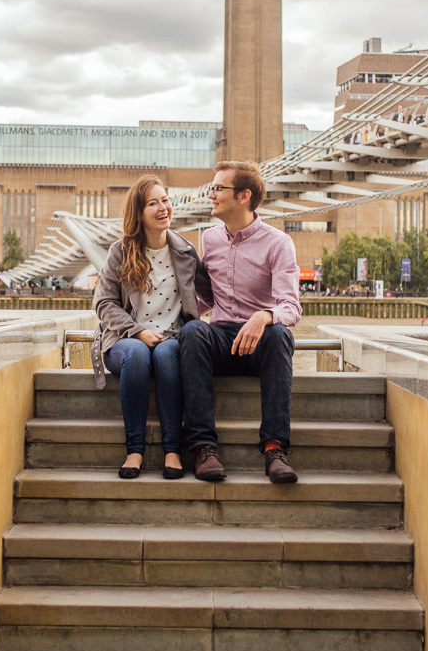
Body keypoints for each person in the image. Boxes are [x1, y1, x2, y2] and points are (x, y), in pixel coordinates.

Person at [179, 160, 302, 484]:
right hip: (220, 340)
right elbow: (209, 298)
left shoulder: (278, 243)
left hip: (260, 343)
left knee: (280, 336)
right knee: (191, 331)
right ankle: (205, 448)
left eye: (218, 188)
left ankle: (274, 450)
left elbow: (291, 306)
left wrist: (263, 316)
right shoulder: (210, 238)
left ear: (244, 196)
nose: (211, 194)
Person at [92, 175, 212, 480]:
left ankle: (172, 450)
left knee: (167, 353)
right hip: (124, 340)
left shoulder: (185, 251)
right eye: (153, 203)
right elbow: (104, 304)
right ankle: (135, 449)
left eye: (166, 200)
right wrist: (137, 331)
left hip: (170, 338)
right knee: (137, 354)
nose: (163, 208)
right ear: (139, 212)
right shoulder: (120, 252)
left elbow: (213, 295)